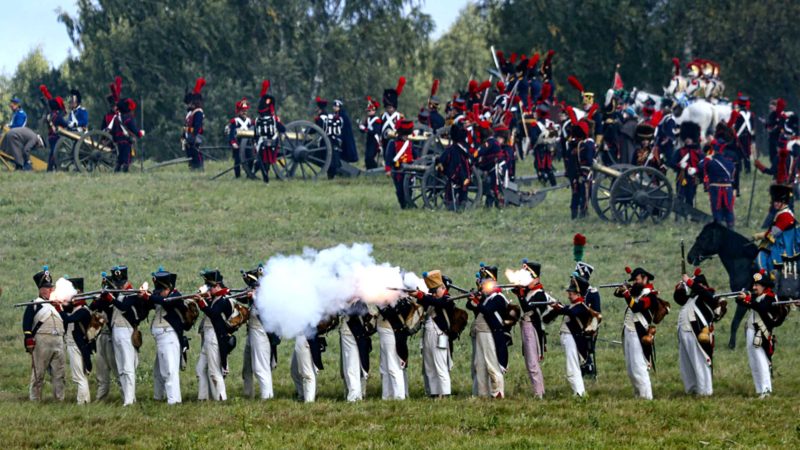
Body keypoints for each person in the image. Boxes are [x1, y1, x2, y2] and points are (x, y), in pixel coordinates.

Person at [673, 269, 726, 396]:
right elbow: (678, 298)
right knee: (686, 364)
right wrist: (680, 287)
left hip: (698, 334)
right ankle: (692, 389)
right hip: (685, 332)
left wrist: (690, 282)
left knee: (700, 362)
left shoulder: (709, 295)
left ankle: (705, 391)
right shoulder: (693, 297)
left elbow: (706, 295)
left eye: (695, 284)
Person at [737, 270, 785, 398]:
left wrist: (748, 299)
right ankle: (759, 389)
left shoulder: (769, 297)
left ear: (764, 286)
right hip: (751, 331)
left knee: (762, 361)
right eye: (754, 285)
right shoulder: (756, 297)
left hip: (761, 333)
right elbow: (740, 302)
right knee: (754, 362)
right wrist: (744, 294)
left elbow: (761, 308)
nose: (754, 287)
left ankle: (766, 390)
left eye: (757, 285)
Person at [510, 260, 553, 398]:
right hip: (527, 326)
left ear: (536, 278)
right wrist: (520, 293)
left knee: (532, 363)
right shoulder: (530, 291)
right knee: (530, 363)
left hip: (532, 328)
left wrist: (521, 296)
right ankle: (539, 391)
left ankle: (538, 393)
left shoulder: (539, 293)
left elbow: (528, 308)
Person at [22, 266, 66, 401]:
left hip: (58, 340)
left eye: (50, 287)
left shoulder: (55, 305)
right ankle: (35, 399)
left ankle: (59, 399)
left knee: (60, 374)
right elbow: (27, 323)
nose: (50, 290)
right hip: (42, 341)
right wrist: (28, 337)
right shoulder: (34, 304)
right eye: (47, 287)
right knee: (39, 373)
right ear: (41, 289)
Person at [614, 267, 658, 400]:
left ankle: (647, 397)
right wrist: (623, 289)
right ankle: (638, 395)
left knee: (639, 367)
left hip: (639, 334)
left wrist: (627, 293)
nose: (635, 282)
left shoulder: (651, 295)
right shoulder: (637, 292)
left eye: (637, 280)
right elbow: (617, 294)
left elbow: (637, 307)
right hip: (628, 332)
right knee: (630, 368)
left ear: (645, 278)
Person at [467, 264, 509, 399]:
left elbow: (487, 311)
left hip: (490, 333)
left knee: (492, 364)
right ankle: (482, 393)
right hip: (480, 332)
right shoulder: (486, 297)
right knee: (479, 364)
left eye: (486, 282)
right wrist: (472, 299)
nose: (483, 284)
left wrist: (477, 302)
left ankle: (497, 392)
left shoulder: (498, 298)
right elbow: (471, 307)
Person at [196, 270, 237, 401]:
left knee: (214, 372)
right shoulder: (216, 298)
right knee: (200, 369)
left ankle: (221, 398)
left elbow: (214, 313)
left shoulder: (224, 299)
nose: (209, 288)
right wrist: (205, 299)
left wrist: (202, 302)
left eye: (211, 286)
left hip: (215, 336)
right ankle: (203, 397)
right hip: (209, 335)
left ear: (218, 286)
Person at [102, 265, 140, 406]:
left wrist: (111, 298)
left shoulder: (132, 293)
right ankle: (128, 397)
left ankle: (130, 400)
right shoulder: (118, 293)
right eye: (117, 283)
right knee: (121, 368)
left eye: (121, 283)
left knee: (128, 367)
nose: (119, 285)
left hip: (126, 331)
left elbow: (124, 307)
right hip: (116, 331)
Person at [414, 270, 455, 398]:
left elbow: (438, 303)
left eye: (435, 289)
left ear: (443, 288)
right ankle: (434, 393)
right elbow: (424, 302)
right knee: (429, 366)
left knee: (440, 367)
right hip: (428, 334)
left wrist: (423, 296)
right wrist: (418, 294)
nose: (433, 292)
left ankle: (445, 393)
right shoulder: (432, 299)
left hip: (439, 335)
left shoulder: (448, 300)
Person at [552, 275, 595, 397]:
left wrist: (558, 308)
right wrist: (558, 307)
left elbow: (571, 312)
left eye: (571, 293)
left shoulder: (581, 306)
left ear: (578, 293)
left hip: (573, 339)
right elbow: (567, 309)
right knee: (573, 367)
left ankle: (580, 393)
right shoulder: (574, 305)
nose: (569, 295)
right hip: (570, 338)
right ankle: (579, 392)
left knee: (573, 368)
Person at [149, 268, 187, 405]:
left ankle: (174, 400)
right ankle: (158, 397)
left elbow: (166, 302)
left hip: (169, 336)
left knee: (170, 370)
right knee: (159, 371)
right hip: (161, 338)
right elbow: (154, 301)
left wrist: (149, 296)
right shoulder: (161, 296)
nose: (159, 291)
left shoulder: (176, 296)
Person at [241, 265, 277, 400]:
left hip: (262, 334)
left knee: (260, 368)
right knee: (247, 369)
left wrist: (255, 297)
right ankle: (248, 395)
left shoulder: (268, 297)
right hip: (252, 333)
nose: (252, 288)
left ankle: (267, 396)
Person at [60, 277, 93, 405]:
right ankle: (84, 400)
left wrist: (59, 308)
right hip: (75, 345)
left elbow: (68, 319)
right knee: (79, 376)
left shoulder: (83, 310)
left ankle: (83, 402)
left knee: (79, 376)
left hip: (77, 345)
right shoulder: (76, 308)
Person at [754, 185, 798, 272]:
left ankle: (765, 278)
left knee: (761, 257)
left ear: (784, 202)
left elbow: (773, 233)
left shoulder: (785, 215)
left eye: (778, 201)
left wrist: (759, 235)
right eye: (775, 201)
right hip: (781, 241)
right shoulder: (781, 212)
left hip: (785, 246)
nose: (775, 203)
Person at [89, 272, 117, 401]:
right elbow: (93, 308)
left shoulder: (115, 301)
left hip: (112, 338)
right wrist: (97, 299)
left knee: (117, 369)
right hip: (101, 337)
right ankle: (101, 398)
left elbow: (109, 308)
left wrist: (107, 299)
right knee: (101, 371)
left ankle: (126, 397)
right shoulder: (102, 301)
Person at [565, 107, 596, 219]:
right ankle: (582, 213)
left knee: (576, 194)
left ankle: (575, 213)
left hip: (575, 174)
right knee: (584, 194)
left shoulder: (575, 145)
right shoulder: (586, 145)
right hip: (584, 173)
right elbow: (588, 160)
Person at [699, 139, 736, 228]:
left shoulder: (710, 162)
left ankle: (719, 226)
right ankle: (731, 227)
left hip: (715, 188)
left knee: (716, 209)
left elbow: (700, 167)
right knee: (729, 208)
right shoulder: (730, 163)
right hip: (728, 188)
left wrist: (707, 158)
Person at [339, 300, 372, 401]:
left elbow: (354, 312)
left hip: (351, 331)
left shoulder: (358, 300)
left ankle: (354, 396)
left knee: (351, 366)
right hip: (351, 331)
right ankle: (356, 394)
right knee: (350, 366)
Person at [377, 299, 410, 400]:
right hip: (385, 331)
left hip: (391, 332)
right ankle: (387, 396)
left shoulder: (400, 299)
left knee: (394, 366)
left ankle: (399, 396)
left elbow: (389, 313)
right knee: (385, 367)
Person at [254, 81, 286, 183]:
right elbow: (283, 129)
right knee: (270, 160)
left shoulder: (257, 120)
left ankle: (265, 175)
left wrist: (255, 142)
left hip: (262, 142)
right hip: (272, 142)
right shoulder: (274, 119)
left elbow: (256, 133)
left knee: (263, 160)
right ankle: (268, 174)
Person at [671, 122, 703, 211]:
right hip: (682, 177)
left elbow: (703, 165)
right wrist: (679, 165)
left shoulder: (699, 153)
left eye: (690, 138)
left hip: (694, 178)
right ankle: (679, 216)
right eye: (686, 138)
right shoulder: (679, 151)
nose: (688, 140)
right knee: (680, 195)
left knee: (690, 196)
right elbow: (672, 163)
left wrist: (696, 169)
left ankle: (689, 214)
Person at [384, 119, 415, 209]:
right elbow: (388, 157)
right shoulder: (392, 143)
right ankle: (403, 205)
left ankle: (408, 204)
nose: (406, 136)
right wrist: (388, 169)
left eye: (407, 134)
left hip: (409, 169)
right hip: (398, 169)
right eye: (404, 134)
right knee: (400, 190)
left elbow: (415, 155)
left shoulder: (410, 143)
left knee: (409, 188)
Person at [291, 325, 326, 403]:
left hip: (306, 336)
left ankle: (309, 401)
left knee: (308, 374)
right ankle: (302, 395)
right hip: (301, 336)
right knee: (295, 372)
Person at [110, 98, 145, 173]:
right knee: (127, 157)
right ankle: (125, 171)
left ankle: (117, 171)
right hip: (126, 140)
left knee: (120, 158)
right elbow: (133, 129)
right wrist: (140, 134)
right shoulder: (128, 118)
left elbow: (113, 130)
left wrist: (115, 139)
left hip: (118, 141)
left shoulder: (116, 118)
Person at [39, 85, 68, 172]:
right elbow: (65, 124)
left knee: (53, 153)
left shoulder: (49, 115)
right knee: (54, 153)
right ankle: (50, 169)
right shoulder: (58, 116)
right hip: (56, 136)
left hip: (50, 136)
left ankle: (54, 168)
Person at [314, 97, 343, 179]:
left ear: (319, 108)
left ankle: (331, 174)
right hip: (331, 140)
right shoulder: (329, 116)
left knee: (328, 158)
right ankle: (331, 174)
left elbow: (315, 129)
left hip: (326, 141)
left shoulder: (320, 118)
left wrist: (305, 131)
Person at [227, 97, 253, 179]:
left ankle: (249, 174)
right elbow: (231, 134)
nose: (244, 112)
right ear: (238, 111)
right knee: (237, 160)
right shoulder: (235, 121)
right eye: (242, 110)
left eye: (245, 110)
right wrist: (233, 143)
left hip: (248, 144)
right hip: (238, 143)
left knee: (250, 159)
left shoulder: (249, 121)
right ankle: (237, 176)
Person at [183, 78, 206, 170]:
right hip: (189, 135)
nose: (188, 105)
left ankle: (199, 167)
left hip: (195, 136)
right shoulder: (190, 113)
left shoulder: (198, 112)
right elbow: (186, 126)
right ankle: (192, 166)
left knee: (196, 152)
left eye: (190, 103)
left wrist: (192, 136)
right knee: (190, 153)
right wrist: (183, 136)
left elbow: (197, 126)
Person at [359, 97, 383, 170]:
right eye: (368, 111)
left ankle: (374, 169)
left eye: (370, 110)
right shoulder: (368, 119)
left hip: (375, 141)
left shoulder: (377, 120)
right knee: (367, 157)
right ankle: (369, 170)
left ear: (374, 111)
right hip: (369, 140)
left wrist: (365, 129)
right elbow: (364, 130)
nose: (368, 112)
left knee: (370, 156)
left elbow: (376, 131)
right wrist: (361, 128)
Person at [381, 77, 406, 144]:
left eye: (390, 107)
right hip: (384, 140)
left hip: (395, 141)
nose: (389, 109)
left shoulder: (399, 116)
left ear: (394, 107)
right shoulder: (383, 116)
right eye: (387, 107)